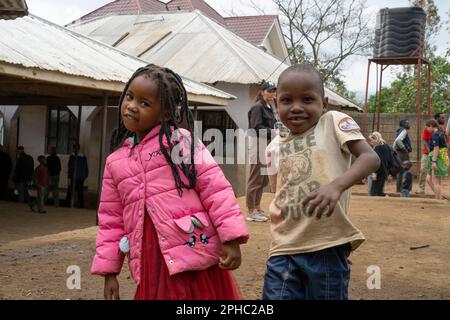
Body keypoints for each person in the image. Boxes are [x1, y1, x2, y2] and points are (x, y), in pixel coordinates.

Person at [91, 64, 249, 300]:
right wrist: (109, 272)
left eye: (145, 103)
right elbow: (111, 221)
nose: (132, 106)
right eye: (130, 97)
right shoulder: (116, 162)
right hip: (151, 262)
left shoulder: (181, 143)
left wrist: (231, 238)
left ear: (165, 114)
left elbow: (216, 190)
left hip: (194, 253)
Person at [263, 64, 380, 300]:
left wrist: (336, 186)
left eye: (307, 99)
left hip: (327, 245)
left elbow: (370, 158)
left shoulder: (333, 122)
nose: (296, 107)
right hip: (283, 246)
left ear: (324, 103)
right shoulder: (274, 146)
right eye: (286, 101)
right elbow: (278, 191)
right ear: (276, 105)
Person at [246, 80, 277, 222]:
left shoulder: (269, 107)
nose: (272, 93)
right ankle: (251, 211)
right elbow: (256, 127)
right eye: (269, 91)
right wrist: (274, 132)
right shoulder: (257, 107)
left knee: (264, 178)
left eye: (273, 91)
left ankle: (257, 208)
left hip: (268, 144)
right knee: (255, 177)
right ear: (262, 91)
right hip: (258, 142)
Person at [426, 119, 449, 200]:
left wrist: (434, 162)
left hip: (438, 158)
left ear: (431, 126)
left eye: (427, 127)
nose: (426, 129)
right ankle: (439, 197)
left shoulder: (435, 135)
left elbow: (436, 148)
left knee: (436, 181)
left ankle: (438, 199)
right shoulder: (440, 133)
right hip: (441, 157)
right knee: (431, 180)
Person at [368, 132, 392, 197]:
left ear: (376, 139)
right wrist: (389, 173)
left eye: (372, 139)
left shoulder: (377, 148)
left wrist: (374, 172)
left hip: (378, 172)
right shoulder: (386, 146)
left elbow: (376, 162)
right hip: (384, 171)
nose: (371, 141)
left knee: (373, 192)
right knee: (379, 191)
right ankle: (385, 196)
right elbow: (390, 160)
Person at [66, 143, 89, 208]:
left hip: (74, 176)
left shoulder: (72, 156)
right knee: (80, 192)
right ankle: (81, 205)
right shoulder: (83, 157)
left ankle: (68, 204)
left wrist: (69, 177)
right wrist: (85, 176)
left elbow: (70, 167)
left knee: (70, 191)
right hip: (80, 177)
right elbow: (86, 168)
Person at [393, 119, 412, 192]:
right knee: (403, 170)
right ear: (403, 124)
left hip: (398, 152)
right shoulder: (404, 130)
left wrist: (395, 150)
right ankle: (403, 189)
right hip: (402, 153)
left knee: (400, 171)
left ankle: (399, 189)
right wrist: (404, 149)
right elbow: (398, 140)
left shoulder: (399, 131)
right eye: (407, 123)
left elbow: (396, 141)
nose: (409, 124)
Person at [416, 120, 433, 194]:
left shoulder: (440, 130)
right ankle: (421, 188)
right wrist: (429, 151)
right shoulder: (426, 130)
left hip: (438, 154)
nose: (425, 128)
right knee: (423, 170)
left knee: (437, 172)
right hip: (427, 153)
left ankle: (437, 189)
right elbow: (424, 140)